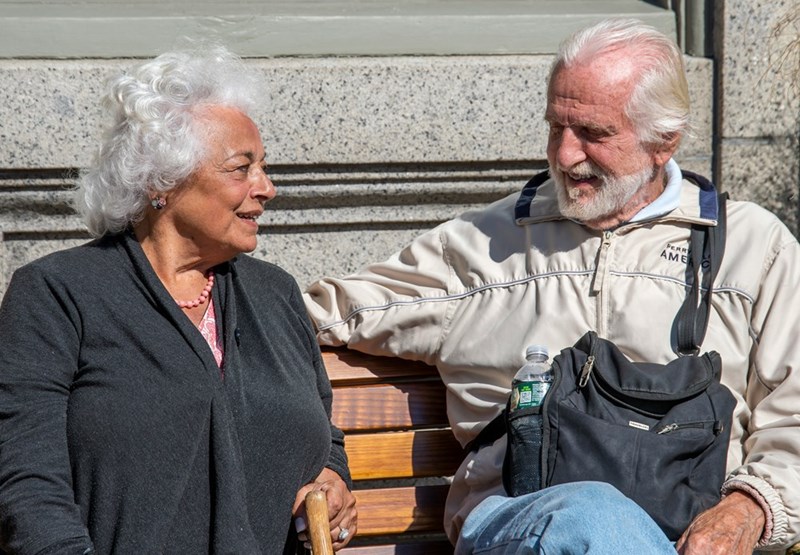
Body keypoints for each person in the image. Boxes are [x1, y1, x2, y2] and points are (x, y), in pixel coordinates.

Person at [303, 18, 800, 554]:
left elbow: (794, 417)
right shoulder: (480, 248)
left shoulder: (754, 250)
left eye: (593, 133)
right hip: (523, 522)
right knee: (589, 517)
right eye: (555, 128)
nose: (565, 155)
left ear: (664, 141)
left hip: (691, 535)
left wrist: (750, 506)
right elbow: (311, 314)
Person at [0, 46, 357, 554]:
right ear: (161, 183)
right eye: (241, 169)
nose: (268, 188)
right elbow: (28, 483)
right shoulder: (57, 294)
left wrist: (331, 481)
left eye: (264, 167)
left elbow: (323, 434)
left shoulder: (273, 292)